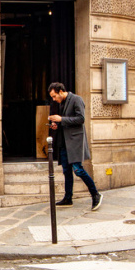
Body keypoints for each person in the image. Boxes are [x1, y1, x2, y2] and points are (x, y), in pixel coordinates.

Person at [48, 82, 102, 211]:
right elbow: (67, 120)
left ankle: (96, 194)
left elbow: (81, 119)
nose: (54, 99)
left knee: (78, 170)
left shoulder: (77, 99)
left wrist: (61, 119)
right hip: (64, 142)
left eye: (54, 96)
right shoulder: (62, 103)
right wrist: (56, 124)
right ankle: (68, 198)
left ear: (61, 91)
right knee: (66, 171)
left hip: (75, 142)